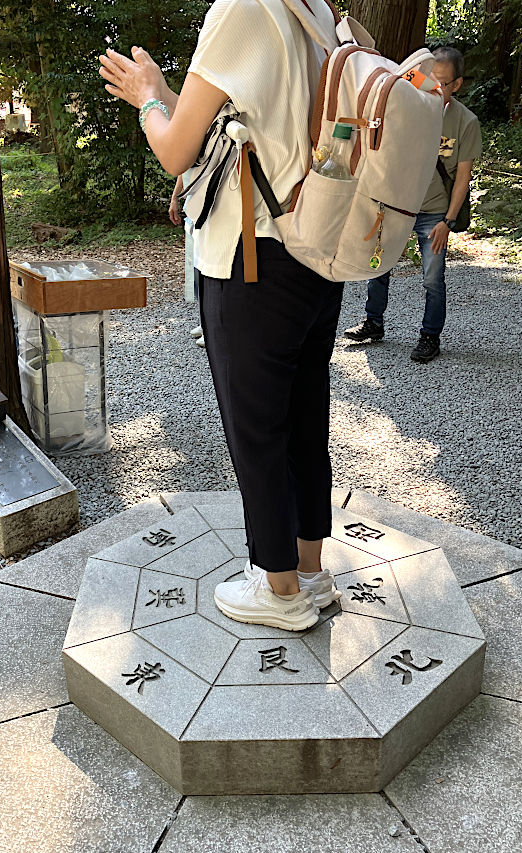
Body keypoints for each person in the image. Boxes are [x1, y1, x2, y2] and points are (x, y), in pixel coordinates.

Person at [99, 0, 343, 631]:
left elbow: (178, 147)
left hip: (251, 259)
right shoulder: (311, 9)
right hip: (316, 250)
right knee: (304, 414)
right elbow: (243, 122)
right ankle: (311, 572)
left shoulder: (240, 8)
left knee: (256, 428)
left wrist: (150, 97)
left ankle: (278, 588)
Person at [344, 46, 482, 363]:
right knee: (376, 267)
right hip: (395, 204)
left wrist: (447, 222)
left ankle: (429, 336)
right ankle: (373, 323)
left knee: (433, 278)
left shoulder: (465, 122)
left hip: (433, 212)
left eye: (443, 83)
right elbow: (398, 81)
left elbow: (462, 178)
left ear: (457, 85)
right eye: (430, 78)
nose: (434, 87)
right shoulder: (408, 104)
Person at [169, 174, 205, 347]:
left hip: (209, 213)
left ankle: (212, 327)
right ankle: (204, 321)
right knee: (195, 274)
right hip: (192, 214)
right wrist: (174, 199)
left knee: (207, 271)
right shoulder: (189, 150)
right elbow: (183, 173)